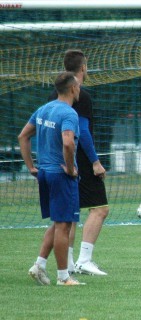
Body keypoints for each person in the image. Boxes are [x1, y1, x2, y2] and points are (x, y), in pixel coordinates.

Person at [48, 49, 109, 275]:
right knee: (100, 208)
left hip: (56, 159)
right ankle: (84, 260)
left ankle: (69, 263)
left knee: (70, 213)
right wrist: (94, 161)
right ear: (83, 67)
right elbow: (81, 131)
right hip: (79, 159)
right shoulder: (80, 94)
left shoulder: (53, 95)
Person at [20, 72, 85, 286]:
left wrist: (31, 166)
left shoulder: (44, 109)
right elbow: (68, 142)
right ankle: (63, 277)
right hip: (60, 175)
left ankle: (39, 265)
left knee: (58, 222)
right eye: (78, 86)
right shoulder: (69, 114)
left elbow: (23, 136)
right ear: (73, 89)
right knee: (65, 225)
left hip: (45, 173)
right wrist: (69, 168)